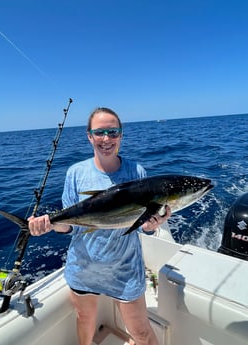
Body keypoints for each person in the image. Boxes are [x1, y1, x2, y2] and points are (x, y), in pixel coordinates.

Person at [28, 107, 171, 345]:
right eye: (100, 132)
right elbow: (71, 226)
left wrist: (152, 225)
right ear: (89, 136)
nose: (107, 139)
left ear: (121, 135)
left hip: (124, 270)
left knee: (142, 333)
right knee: (85, 322)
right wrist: (49, 226)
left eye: (113, 132)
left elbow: (143, 225)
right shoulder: (75, 173)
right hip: (84, 268)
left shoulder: (136, 171)